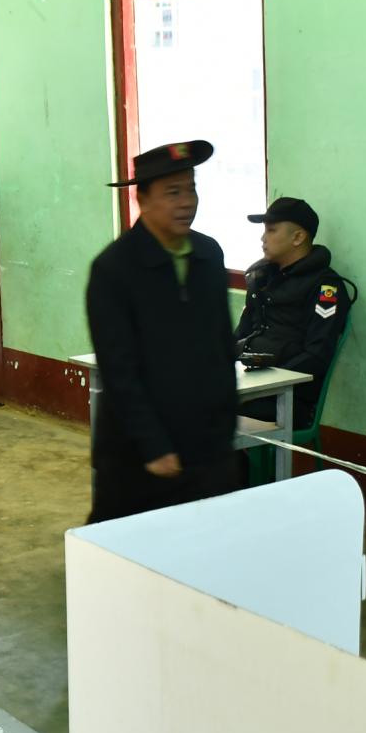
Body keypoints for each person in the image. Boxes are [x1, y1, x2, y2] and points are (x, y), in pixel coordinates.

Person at [85, 141, 238, 524]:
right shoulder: (114, 269)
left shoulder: (208, 255)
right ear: (142, 199)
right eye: (173, 193)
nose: (187, 202)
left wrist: (224, 429)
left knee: (204, 545)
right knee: (125, 549)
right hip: (138, 456)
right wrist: (152, 446)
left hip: (205, 449)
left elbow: (222, 345)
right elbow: (119, 370)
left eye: (191, 189)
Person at [233, 197, 353, 425]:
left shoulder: (325, 287)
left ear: (298, 237)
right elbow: (241, 333)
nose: (263, 238)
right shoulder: (262, 278)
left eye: (271, 230)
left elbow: (317, 355)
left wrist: (265, 382)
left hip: (287, 396)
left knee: (206, 411)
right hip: (248, 383)